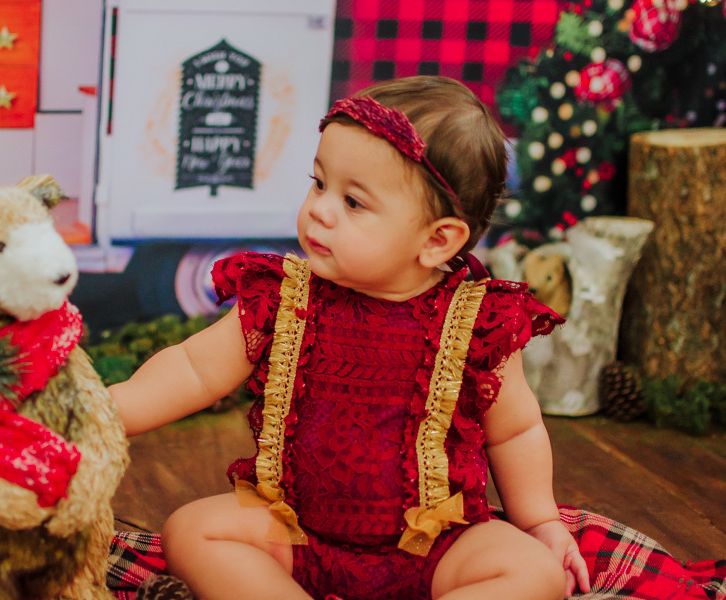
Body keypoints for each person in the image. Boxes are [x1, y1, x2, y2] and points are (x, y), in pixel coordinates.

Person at [109, 75, 591, 600]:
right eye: (319, 183)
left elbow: (515, 432)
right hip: (296, 533)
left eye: (353, 202)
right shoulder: (284, 298)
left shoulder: (476, 323)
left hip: (435, 546)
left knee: (535, 573)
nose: (320, 208)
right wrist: (101, 414)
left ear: (437, 240)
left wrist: (541, 522)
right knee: (191, 530)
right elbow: (193, 370)